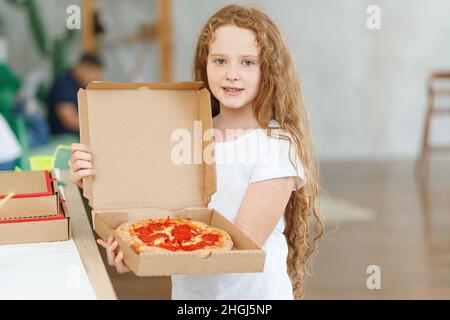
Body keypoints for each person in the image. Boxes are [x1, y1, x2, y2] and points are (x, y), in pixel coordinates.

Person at [69, 5, 324, 299]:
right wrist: (99, 181)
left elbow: (241, 246)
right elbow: (153, 204)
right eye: (219, 60)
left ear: (269, 68)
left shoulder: (276, 146)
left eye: (248, 62)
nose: (231, 74)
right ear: (204, 64)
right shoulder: (185, 132)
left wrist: (155, 249)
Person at [47, 53, 103, 135]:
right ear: (84, 67)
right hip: (62, 137)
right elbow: (69, 120)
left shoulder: (81, 84)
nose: (95, 80)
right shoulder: (64, 84)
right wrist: (98, 127)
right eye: (94, 76)